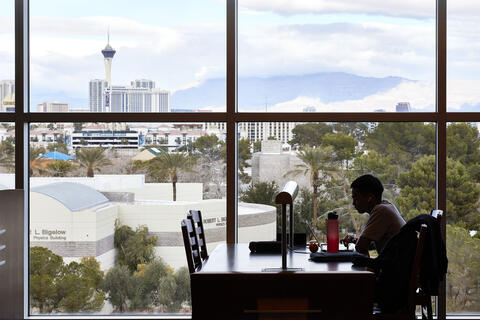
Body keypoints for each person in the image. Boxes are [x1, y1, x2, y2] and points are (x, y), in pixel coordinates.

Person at [342, 174, 405, 256]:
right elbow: (371, 248)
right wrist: (354, 240)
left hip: (396, 267)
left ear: (370, 198)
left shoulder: (381, 211)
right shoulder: (387, 206)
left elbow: (360, 247)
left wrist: (360, 243)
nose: (353, 203)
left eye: (356, 198)